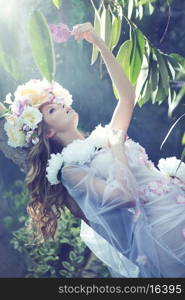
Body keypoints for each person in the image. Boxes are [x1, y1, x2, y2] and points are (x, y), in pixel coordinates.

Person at [2, 22, 185, 278]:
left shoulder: (105, 135)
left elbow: (127, 97)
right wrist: (118, 149)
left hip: (177, 201)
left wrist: (99, 42)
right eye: (52, 110)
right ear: (48, 132)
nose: (62, 106)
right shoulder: (69, 169)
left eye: (57, 102)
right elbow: (123, 197)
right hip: (164, 230)